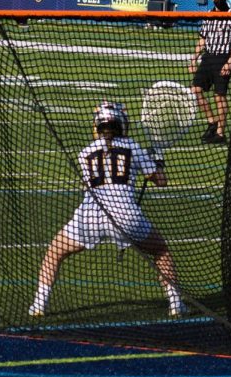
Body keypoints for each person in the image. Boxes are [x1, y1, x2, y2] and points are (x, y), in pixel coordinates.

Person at [29, 102, 186, 317]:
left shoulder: (85, 153)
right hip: (126, 216)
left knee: (54, 253)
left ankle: (39, 305)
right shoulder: (133, 147)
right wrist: (157, 164)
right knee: (161, 252)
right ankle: (176, 304)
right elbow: (161, 181)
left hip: (90, 216)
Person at [190, 0, 231, 145]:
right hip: (208, 57)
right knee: (195, 90)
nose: (219, 0)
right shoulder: (208, 14)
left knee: (219, 96)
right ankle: (212, 121)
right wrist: (194, 58)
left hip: (223, 58)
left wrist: (229, 62)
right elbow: (203, 38)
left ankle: (220, 133)